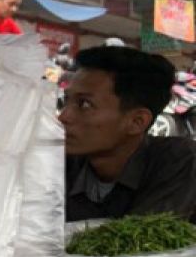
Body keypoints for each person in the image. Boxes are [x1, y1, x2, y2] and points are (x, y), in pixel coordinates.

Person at [60, 45, 196, 222]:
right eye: (66, 100)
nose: (63, 116)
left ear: (137, 121)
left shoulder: (180, 161)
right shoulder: (59, 162)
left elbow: (143, 241)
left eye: (84, 104)